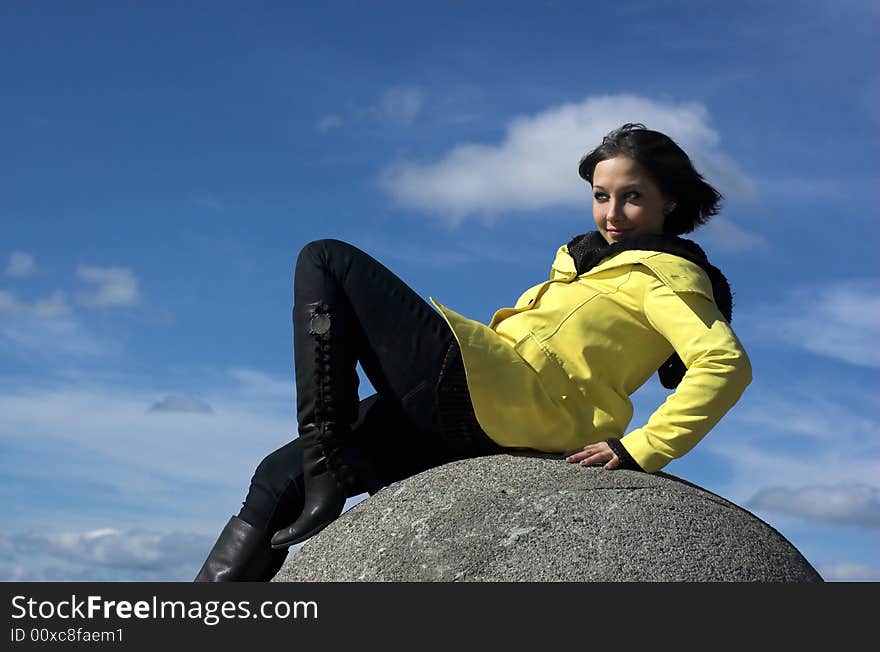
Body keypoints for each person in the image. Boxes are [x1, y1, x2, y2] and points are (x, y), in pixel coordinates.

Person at [194, 123, 752, 582]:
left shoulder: (667, 275)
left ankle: (326, 465)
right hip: (474, 412)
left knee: (326, 259)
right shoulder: (584, 264)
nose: (611, 214)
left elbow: (724, 363)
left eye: (632, 198)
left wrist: (643, 448)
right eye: (601, 197)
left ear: (669, 201)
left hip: (500, 400)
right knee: (276, 477)